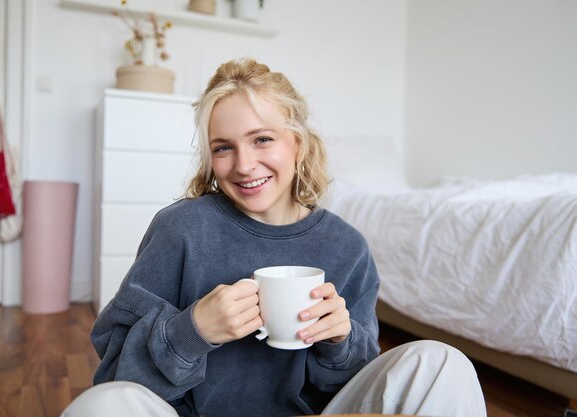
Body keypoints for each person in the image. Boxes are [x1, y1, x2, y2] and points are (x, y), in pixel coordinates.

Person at [62, 58, 487, 417]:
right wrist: (192, 330)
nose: (244, 165)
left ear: (297, 144)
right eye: (223, 147)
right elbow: (116, 372)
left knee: (441, 362)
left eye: (262, 139)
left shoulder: (347, 247)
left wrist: (341, 341)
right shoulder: (182, 229)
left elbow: (359, 388)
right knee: (100, 405)